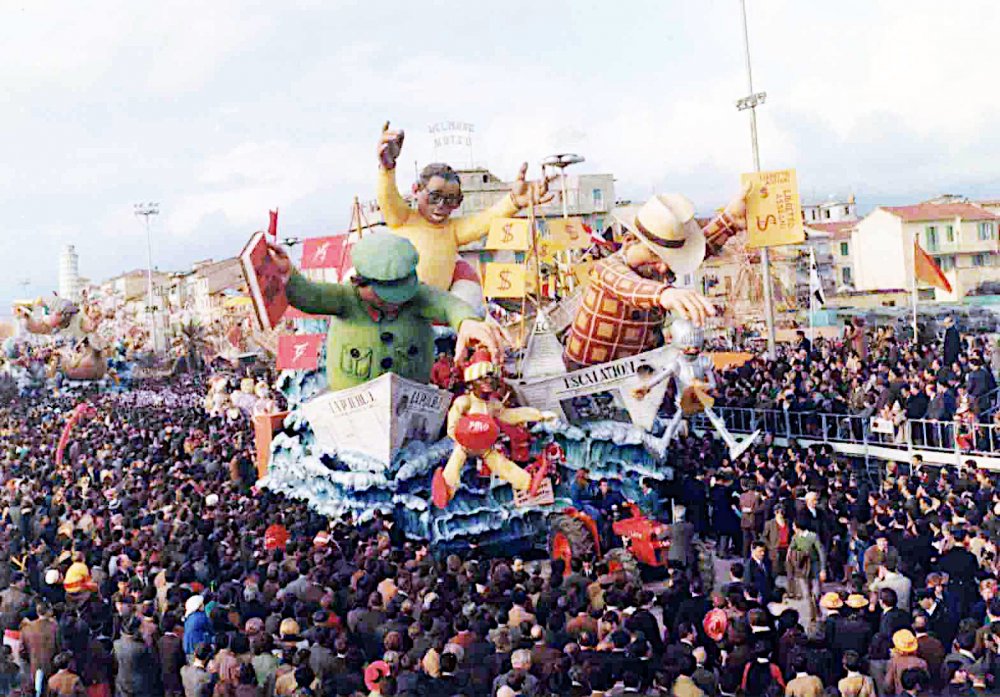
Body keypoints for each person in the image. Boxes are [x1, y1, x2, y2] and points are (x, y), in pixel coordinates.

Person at [268, 232, 504, 392]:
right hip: (352, 405)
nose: (395, 302)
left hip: (409, 402)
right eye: (385, 295)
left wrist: (467, 322)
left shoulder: (418, 297)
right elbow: (311, 295)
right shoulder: (344, 299)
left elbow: (448, 304)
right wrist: (289, 275)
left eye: (401, 292)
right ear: (361, 282)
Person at [564, 189, 750, 368]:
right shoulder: (606, 269)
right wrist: (666, 295)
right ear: (629, 240)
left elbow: (701, 250)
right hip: (584, 384)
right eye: (653, 254)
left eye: (669, 260)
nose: (662, 267)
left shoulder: (656, 272)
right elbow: (628, 285)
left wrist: (730, 220)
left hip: (639, 382)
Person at [376, 123, 554, 304]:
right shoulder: (403, 218)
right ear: (416, 190)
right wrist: (387, 169)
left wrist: (514, 202)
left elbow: (485, 220)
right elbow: (387, 197)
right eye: (434, 197)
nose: (441, 206)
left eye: (452, 200)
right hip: (397, 308)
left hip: (435, 316)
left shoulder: (452, 229)